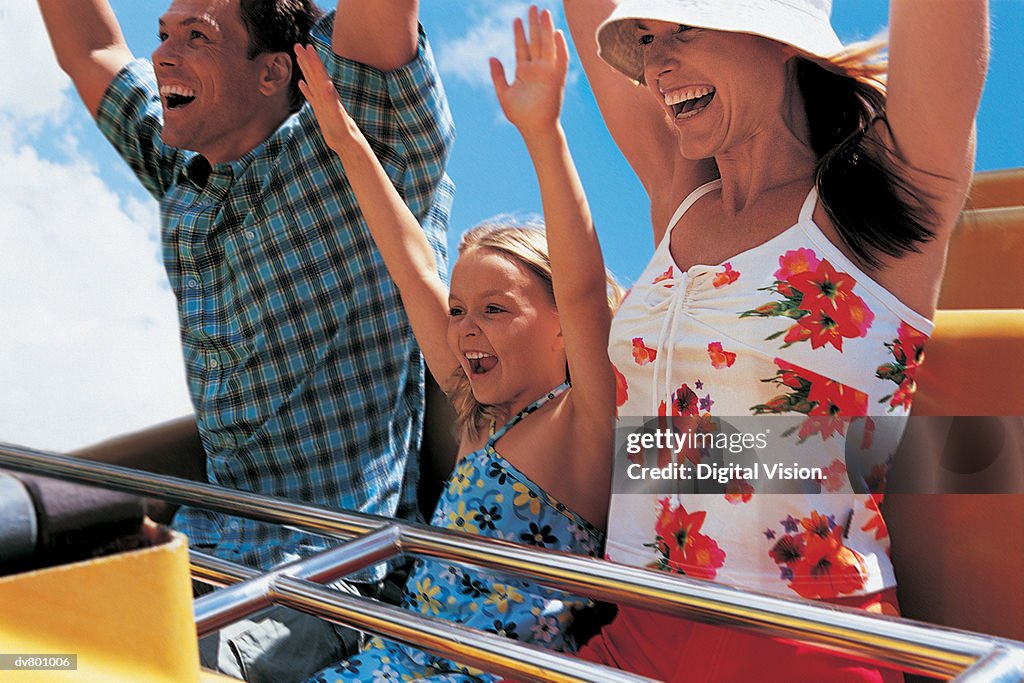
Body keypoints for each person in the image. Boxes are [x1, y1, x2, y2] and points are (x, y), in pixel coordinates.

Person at [561, 0, 988, 680]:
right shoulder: (683, 196)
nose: (657, 62)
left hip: (802, 642)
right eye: (647, 37)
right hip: (635, 621)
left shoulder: (875, 199)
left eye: (686, 28)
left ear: (778, 37)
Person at [36, 0, 454, 679]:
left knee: (153, 670)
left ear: (272, 73)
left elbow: (381, 20)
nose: (163, 54)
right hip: (197, 555)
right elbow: (90, 50)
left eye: (196, 37)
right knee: (30, 652)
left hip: (328, 582)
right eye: (164, 34)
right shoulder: (183, 163)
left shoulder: (360, 137)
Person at [294, 7, 618, 681]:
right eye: (461, 309)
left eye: (496, 309)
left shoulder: (581, 421)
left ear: (559, 322)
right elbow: (412, 265)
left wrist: (544, 133)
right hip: (389, 661)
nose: (466, 327)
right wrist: (348, 139)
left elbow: (585, 289)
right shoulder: (479, 411)